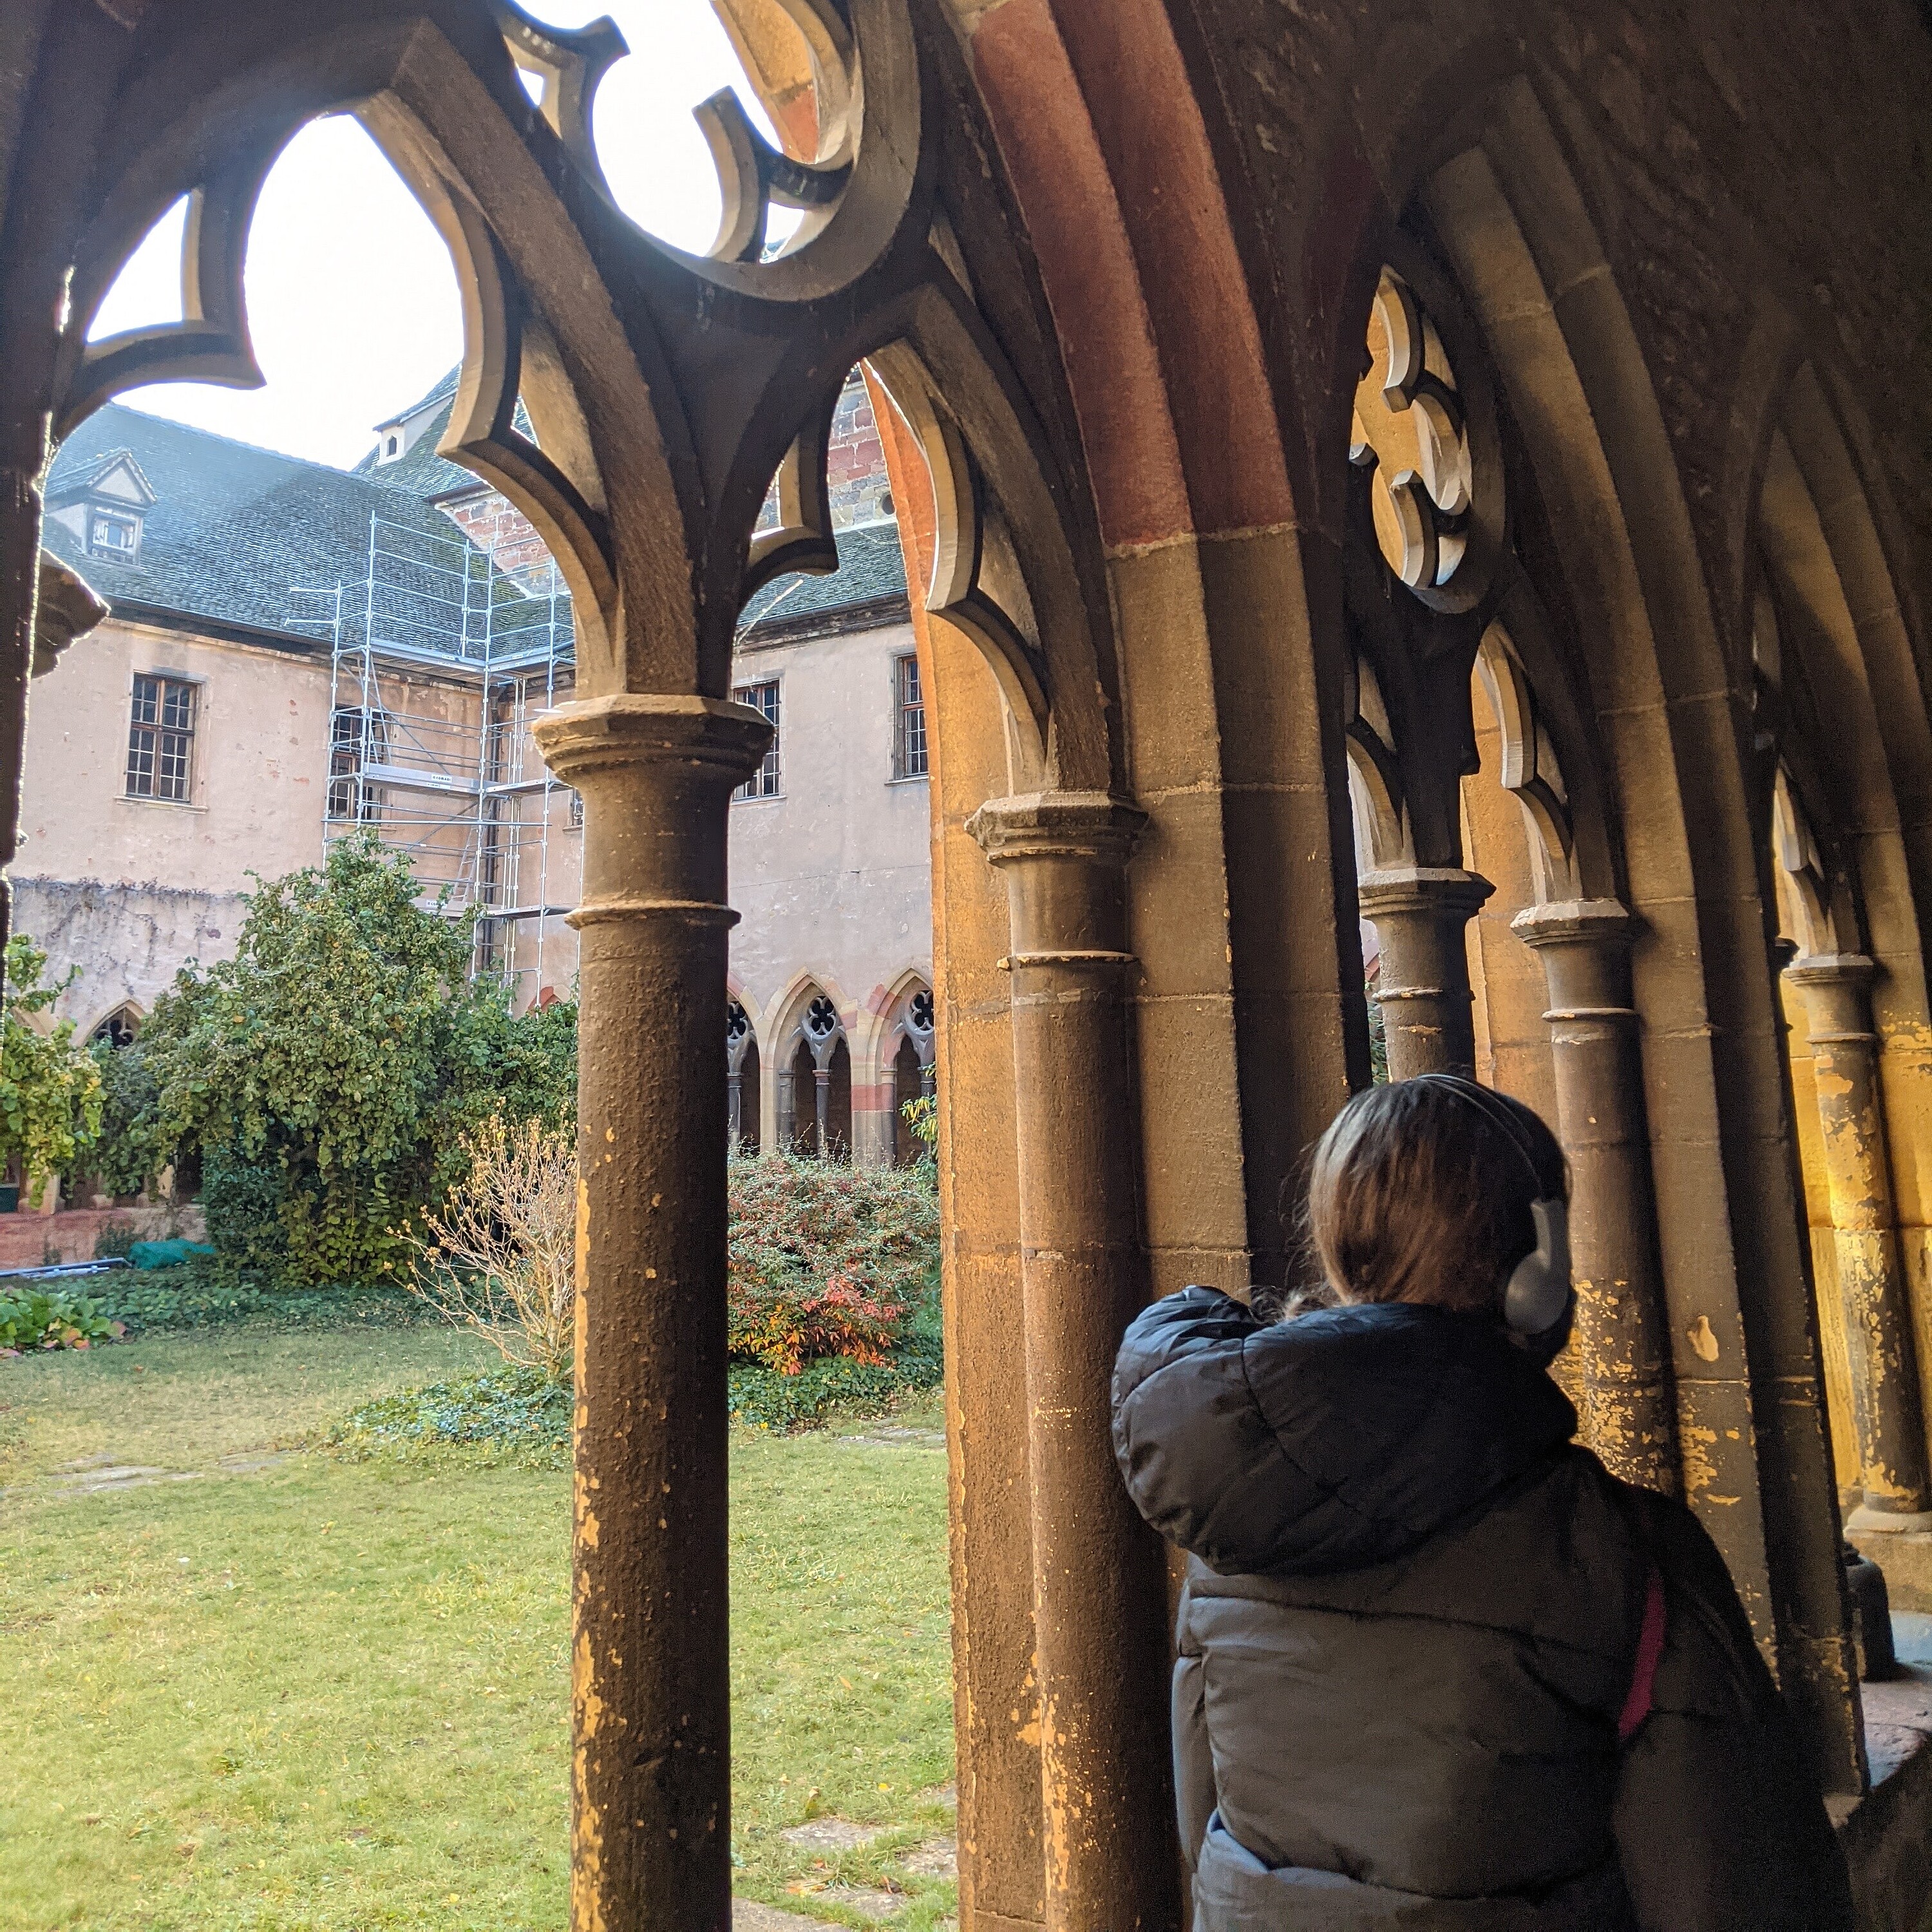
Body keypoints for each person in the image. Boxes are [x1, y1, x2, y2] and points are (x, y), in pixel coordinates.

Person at [1111, 1075, 1853, 1931]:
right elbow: (1737, 1884)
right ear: (1541, 1262)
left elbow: (1208, 1831)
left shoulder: (1233, 1535)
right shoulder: (1621, 1550)